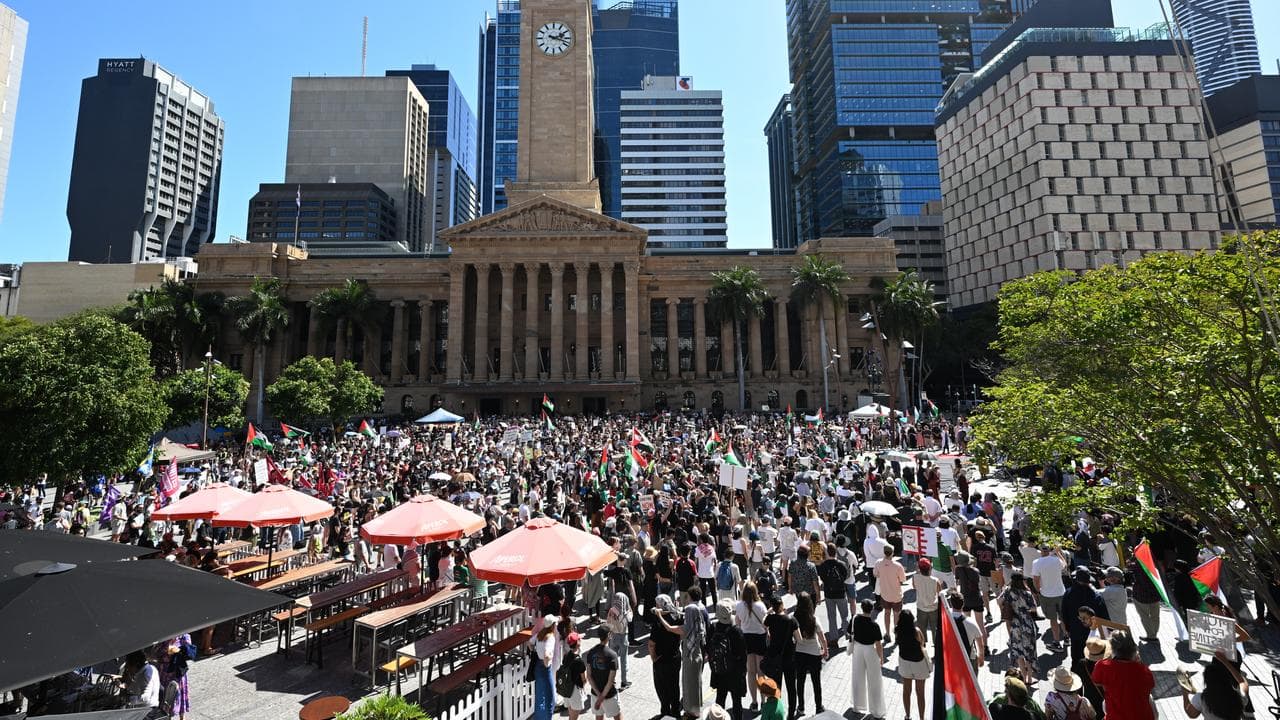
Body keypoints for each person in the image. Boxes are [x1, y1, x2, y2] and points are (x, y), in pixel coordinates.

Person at [656, 585, 707, 720]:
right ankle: (694, 710)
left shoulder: (687, 628)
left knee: (690, 685)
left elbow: (669, 628)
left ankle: (691, 713)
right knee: (696, 684)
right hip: (697, 655)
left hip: (690, 657)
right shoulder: (696, 624)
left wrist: (660, 615)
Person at [1089, 632, 1155, 720]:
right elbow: (1150, 686)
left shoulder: (1103, 666)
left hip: (1116, 716)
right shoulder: (1144, 670)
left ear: (1113, 650)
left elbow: (1096, 681)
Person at [706, 599, 747, 719]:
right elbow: (743, 654)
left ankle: (717, 718)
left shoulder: (713, 629)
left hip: (719, 671)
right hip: (734, 672)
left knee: (720, 700)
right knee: (736, 702)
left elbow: (708, 647)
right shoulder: (736, 631)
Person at [1183, 651, 1249, 720]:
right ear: (1226, 679)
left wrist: (1185, 693)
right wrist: (1225, 662)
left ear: (1207, 681)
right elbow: (1242, 682)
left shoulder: (1201, 698)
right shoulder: (1239, 697)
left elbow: (1191, 714)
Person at [998, 572, 1039, 684]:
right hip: (1027, 624)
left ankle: (1024, 678)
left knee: (1019, 652)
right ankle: (1030, 678)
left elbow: (999, 601)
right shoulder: (1027, 593)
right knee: (1029, 652)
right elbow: (1034, 609)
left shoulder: (1008, 592)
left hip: (1015, 624)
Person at [761, 596, 797, 719]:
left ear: (773, 606)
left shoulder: (770, 618)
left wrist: (768, 611)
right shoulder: (791, 620)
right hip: (789, 657)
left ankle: (777, 712)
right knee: (791, 687)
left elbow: (763, 623)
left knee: (776, 688)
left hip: (774, 658)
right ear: (782, 605)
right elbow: (799, 639)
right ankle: (791, 714)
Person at [848, 598, 886, 719]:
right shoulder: (874, 625)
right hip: (870, 651)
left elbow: (849, 632)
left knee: (857, 677)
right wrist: (881, 658)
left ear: (862, 608)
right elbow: (878, 644)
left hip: (858, 649)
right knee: (874, 680)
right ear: (872, 610)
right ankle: (877, 710)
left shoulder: (855, 619)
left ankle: (857, 705)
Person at [792, 592, 828, 717]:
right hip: (814, 653)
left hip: (800, 653)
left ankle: (801, 707)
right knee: (816, 681)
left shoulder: (794, 618)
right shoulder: (814, 619)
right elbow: (822, 637)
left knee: (800, 681)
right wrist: (825, 650)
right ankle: (819, 706)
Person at [648, 595, 684, 719]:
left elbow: (652, 644)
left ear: (659, 605)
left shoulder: (658, 622)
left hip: (661, 660)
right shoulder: (677, 616)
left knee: (662, 687)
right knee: (674, 685)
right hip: (675, 657)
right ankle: (675, 710)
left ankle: (665, 711)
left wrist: (653, 658)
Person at [1061, 567, 1108, 662]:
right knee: (1093, 659)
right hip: (1093, 635)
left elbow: (1064, 614)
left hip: (1075, 631)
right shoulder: (1096, 596)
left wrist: (1068, 628)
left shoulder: (1068, 594)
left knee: (1076, 657)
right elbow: (1105, 618)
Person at [734, 582, 768, 711]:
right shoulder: (760, 605)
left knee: (751, 672)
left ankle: (754, 702)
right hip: (759, 638)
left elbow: (737, 623)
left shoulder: (739, 606)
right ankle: (763, 700)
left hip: (746, 639)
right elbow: (765, 624)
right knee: (761, 672)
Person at [1032, 544, 1069, 650]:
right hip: (1061, 593)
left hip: (1047, 595)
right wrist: (1058, 553)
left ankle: (1057, 642)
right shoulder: (1056, 560)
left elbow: (1036, 579)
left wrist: (1038, 590)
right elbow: (1065, 565)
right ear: (1049, 550)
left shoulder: (1036, 563)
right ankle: (1066, 638)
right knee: (1062, 618)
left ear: (1040, 551)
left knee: (1053, 620)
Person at [895, 610, 930, 720]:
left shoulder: (897, 630)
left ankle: (908, 715)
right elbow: (922, 643)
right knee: (920, 693)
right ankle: (921, 718)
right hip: (918, 663)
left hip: (905, 662)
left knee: (906, 691)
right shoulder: (916, 631)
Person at [584, 626, 623, 720]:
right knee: (618, 716)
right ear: (609, 635)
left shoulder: (591, 652)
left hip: (595, 694)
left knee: (599, 717)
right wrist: (602, 697)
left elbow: (589, 676)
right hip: (609, 694)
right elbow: (610, 681)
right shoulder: (612, 655)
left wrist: (598, 695)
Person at [817, 542, 850, 649]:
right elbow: (846, 576)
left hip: (829, 594)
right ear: (835, 552)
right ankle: (848, 635)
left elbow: (822, 578)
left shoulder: (823, 566)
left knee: (831, 617)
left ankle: (834, 639)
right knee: (844, 616)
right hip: (841, 593)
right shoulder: (841, 564)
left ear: (827, 552)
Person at [874, 545, 907, 643]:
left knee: (887, 613)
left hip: (885, 594)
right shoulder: (898, 566)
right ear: (892, 553)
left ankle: (887, 634)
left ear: (884, 552)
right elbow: (903, 579)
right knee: (896, 615)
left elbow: (875, 574)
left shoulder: (878, 563)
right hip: (896, 595)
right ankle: (896, 635)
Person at [158, 634, 194, 720]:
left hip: (178, 671)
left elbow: (189, 651)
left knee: (180, 692)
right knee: (167, 695)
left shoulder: (183, 636)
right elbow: (156, 652)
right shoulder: (162, 637)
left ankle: (182, 716)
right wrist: (168, 649)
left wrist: (179, 650)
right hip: (165, 671)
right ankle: (167, 716)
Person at [605, 586, 633, 688]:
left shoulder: (612, 610)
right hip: (623, 637)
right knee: (624, 659)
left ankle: (611, 681)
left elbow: (607, 623)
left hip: (613, 636)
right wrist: (629, 608)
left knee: (612, 660)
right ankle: (624, 681)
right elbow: (630, 619)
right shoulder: (625, 612)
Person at [913, 557, 942, 647]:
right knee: (935, 629)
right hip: (933, 608)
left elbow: (914, 587)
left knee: (921, 628)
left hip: (921, 608)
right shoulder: (935, 580)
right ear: (930, 568)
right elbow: (939, 592)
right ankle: (936, 645)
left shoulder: (915, 577)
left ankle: (922, 645)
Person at [534, 618, 559, 720]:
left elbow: (530, 643)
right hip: (545, 668)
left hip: (537, 667)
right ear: (552, 626)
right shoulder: (551, 637)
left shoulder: (539, 634)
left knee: (540, 695)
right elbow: (547, 655)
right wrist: (546, 664)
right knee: (550, 696)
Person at [560, 632, 589, 720]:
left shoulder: (566, 656)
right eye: (579, 639)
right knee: (574, 716)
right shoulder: (579, 661)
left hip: (567, 689)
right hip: (575, 691)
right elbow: (584, 679)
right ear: (577, 643)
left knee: (571, 714)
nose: (580, 640)